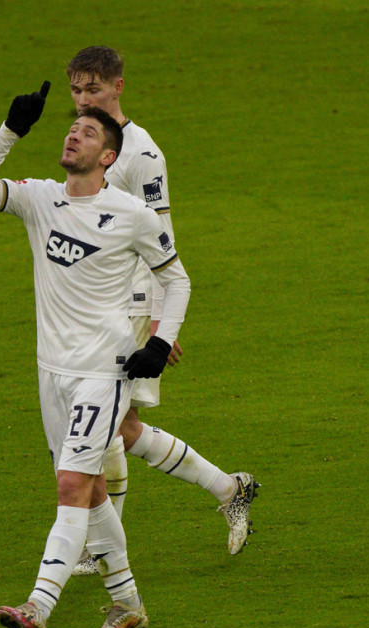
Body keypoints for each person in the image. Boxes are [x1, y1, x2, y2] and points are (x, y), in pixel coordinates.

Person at [0, 80, 191, 628]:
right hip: (51, 372)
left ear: (107, 156)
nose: (73, 134)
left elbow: (176, 278)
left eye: (87, 131)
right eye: (70, 128)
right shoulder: (41, 198)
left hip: (102, 371)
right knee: (88, 493)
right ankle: (128, 605)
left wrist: (160, 342)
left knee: (70, 485)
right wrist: (10, 130)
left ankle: (39, 605)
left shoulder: (131, 213)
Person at [65, 47, 258, 570]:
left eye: (95, 90)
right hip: (95, 306)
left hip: (128, 306)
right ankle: (228, 486)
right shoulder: (88, 142)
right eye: (78, 91)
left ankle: (103, 552)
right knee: (117, 429)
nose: (85, 100)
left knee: (105, 429)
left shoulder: (142, 154)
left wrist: (160, 327)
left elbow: (162, 243)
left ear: (119, 87)